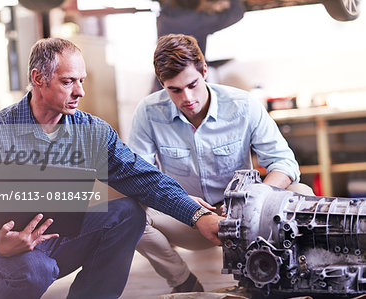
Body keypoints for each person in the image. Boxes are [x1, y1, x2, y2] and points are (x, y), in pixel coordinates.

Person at [0, 37, 224, 299]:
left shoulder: (92, 131)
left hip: (52, 237)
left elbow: (144, 178)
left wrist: (197, 215)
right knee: (35, 270)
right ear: (38, 79)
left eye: (81, 81)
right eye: (68, 82)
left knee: (128, 213)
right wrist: (0, 245)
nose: (80, 91)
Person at [128, 34, 314, 293]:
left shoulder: (244, 104)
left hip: (247, 217)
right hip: (187, 219)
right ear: (162, 84)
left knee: (302, 195)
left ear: (204, 71)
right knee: (128, 214)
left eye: (193, 84)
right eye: (175, 90)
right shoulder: (148, 113)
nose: (187, 98)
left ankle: (294, 277)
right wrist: (190, 210)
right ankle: (183, 282)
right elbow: (141, 180)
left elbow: (284, 163)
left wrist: (252, 199)